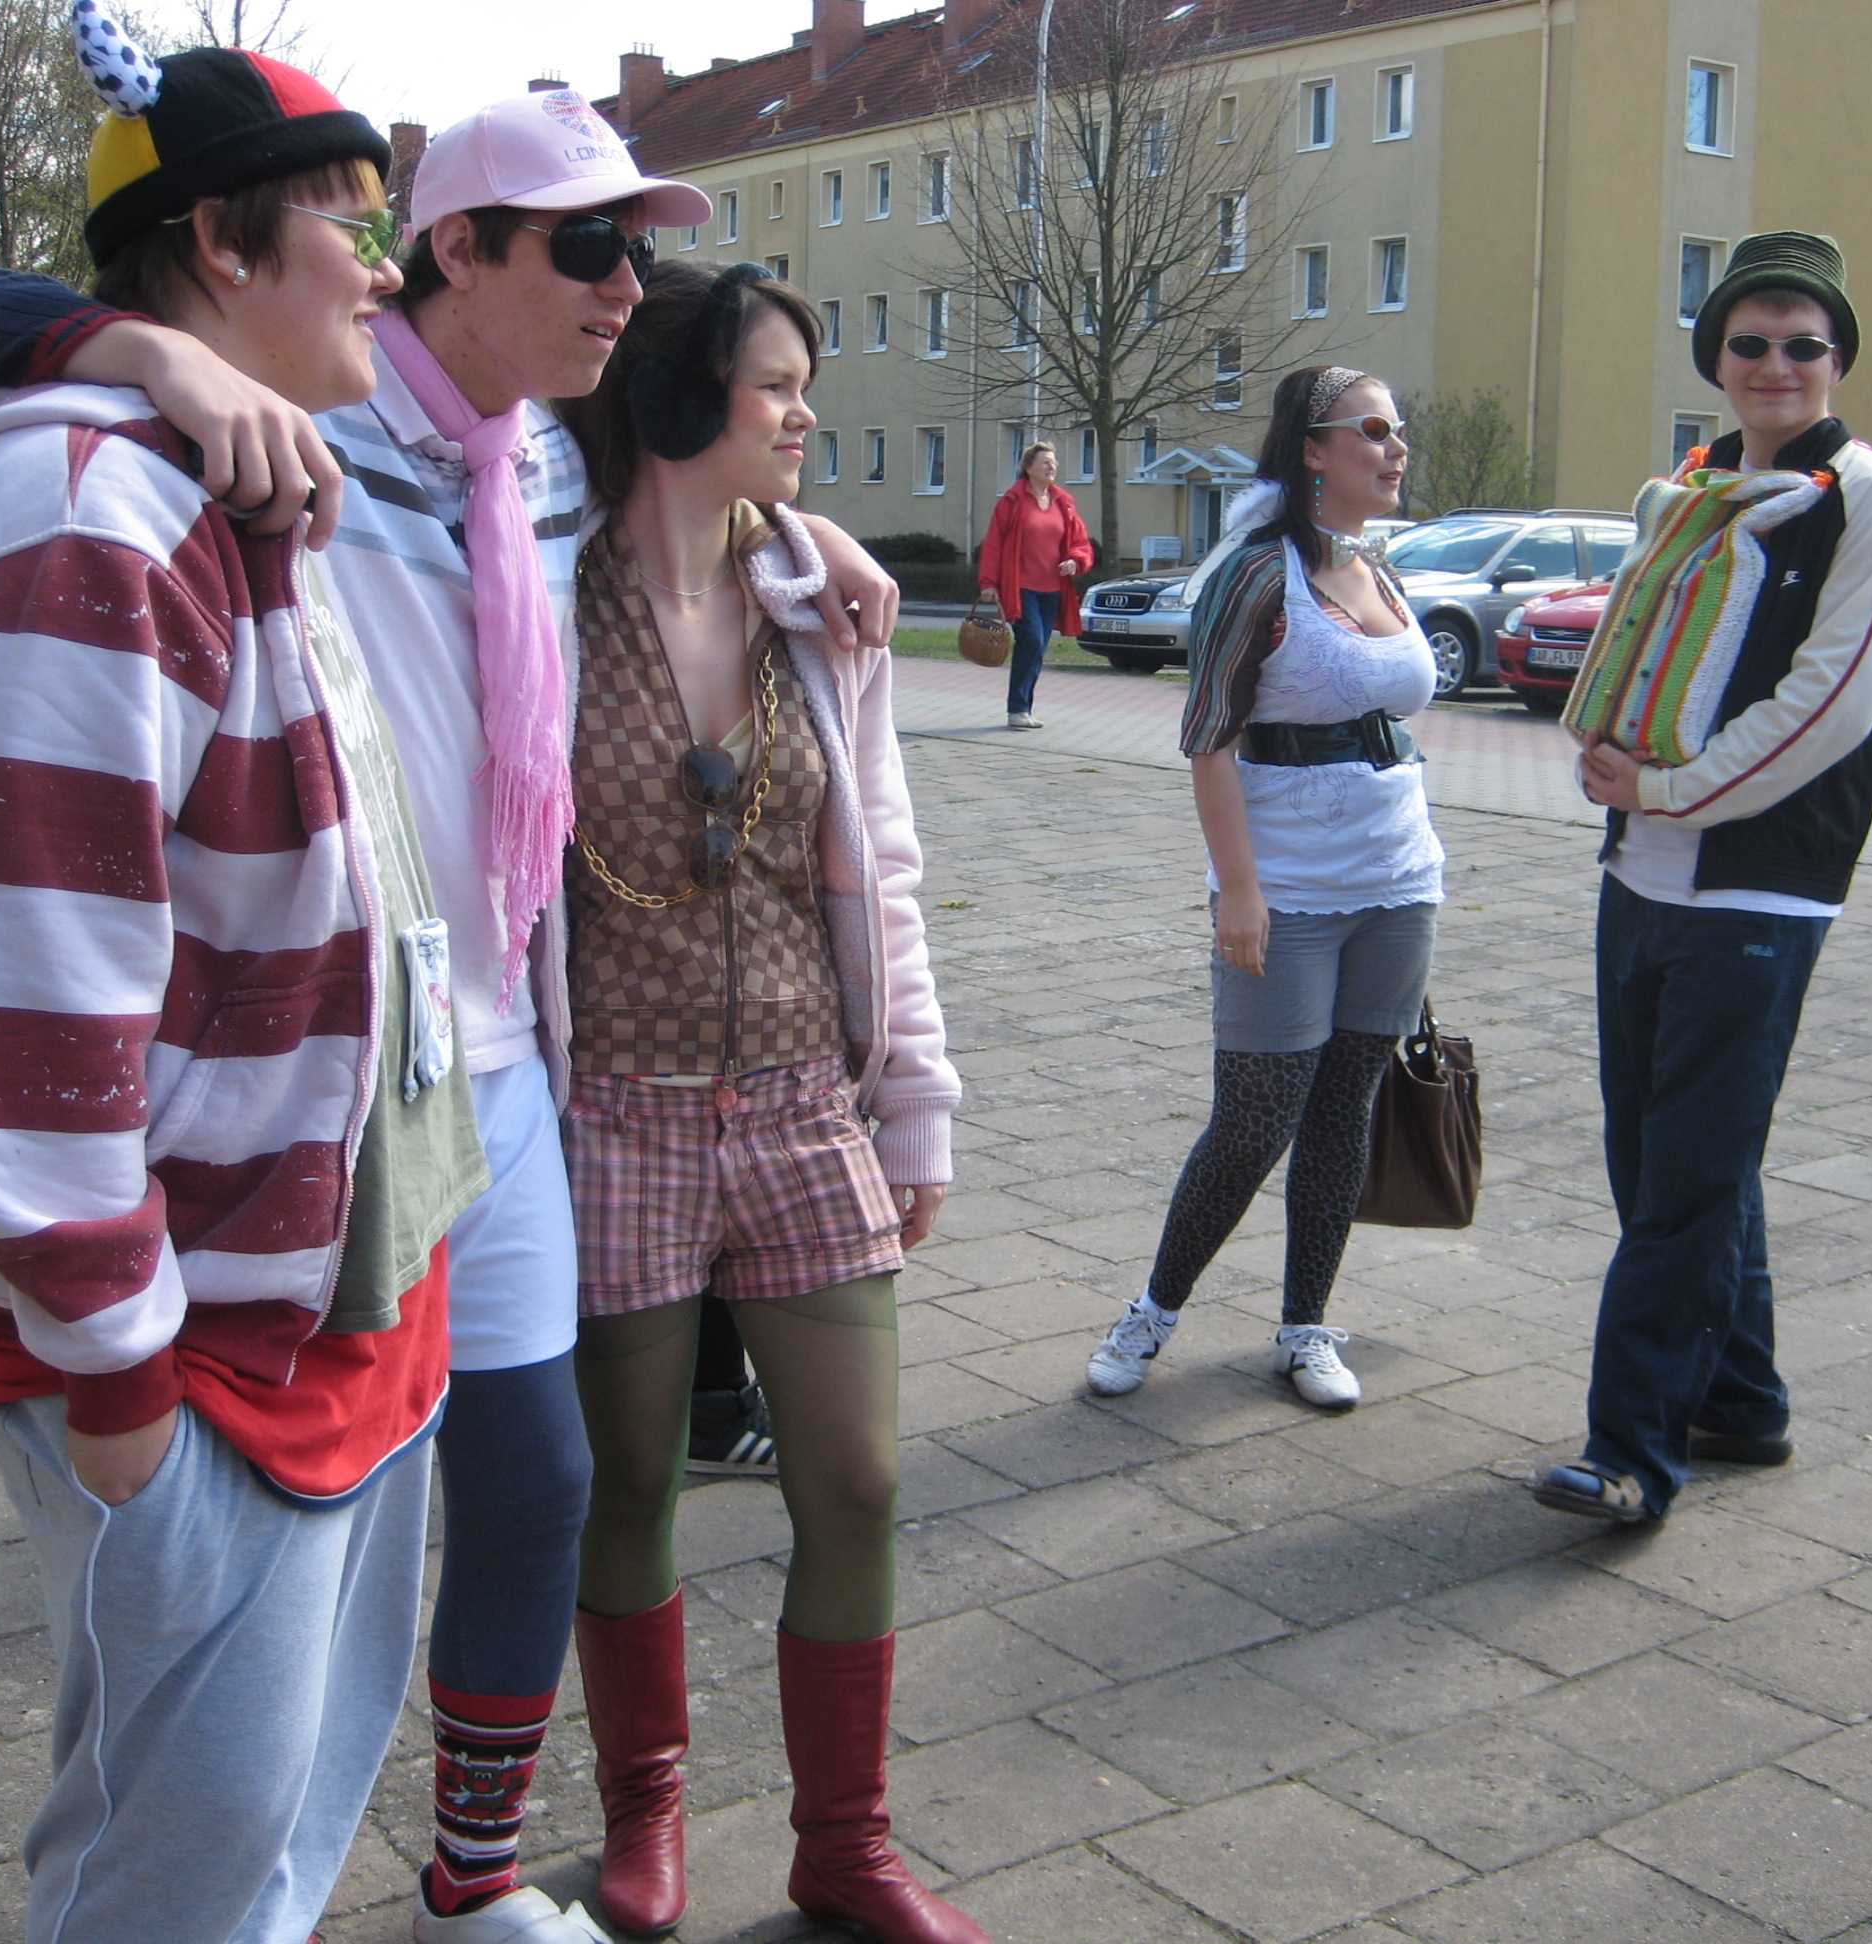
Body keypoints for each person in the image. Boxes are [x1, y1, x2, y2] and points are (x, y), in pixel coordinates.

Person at [0, 86, 903, 1943]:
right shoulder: (295, 408)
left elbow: (725, 431)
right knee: (271, 1595)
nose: (624, 284)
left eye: (633, 249)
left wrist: (798, 530)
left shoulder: (563, 447)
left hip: (490, 1057)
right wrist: (152, 358)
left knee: (531, 1482)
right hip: (314, 1075)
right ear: (460, 249)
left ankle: (473, 1878)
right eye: (586, 245)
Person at [0, 17, 511, 1940]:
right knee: (171, 1878)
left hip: (320, 1287)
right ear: (217, 242)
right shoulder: (75, 519)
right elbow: (14, 987)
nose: (386, 272)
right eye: (352, 224)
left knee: (261, 1841)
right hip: (192, 1339)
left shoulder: (215, 481)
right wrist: (116, 1364)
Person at [552, 260, 974, 1944]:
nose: (806, 414)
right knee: (626, 1483)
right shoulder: (542, 588)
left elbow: (882, 865)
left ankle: (845, 1844)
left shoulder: (820, 607)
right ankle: (643, 1810)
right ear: (678, 396)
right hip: (614, 1109)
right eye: (777, 384)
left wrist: (912, 1098)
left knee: (857, 1477)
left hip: (805, 1099)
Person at [1534, 231, 1872, 1525]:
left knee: (1687, 1180)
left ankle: (1632, 1452)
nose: (1776, 365)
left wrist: (1663, 788)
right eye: (1749, 343)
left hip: (1761, 882)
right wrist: (1611, 754)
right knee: (1664, 1156)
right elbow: (1642, 642)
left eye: (1803, 345)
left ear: (1837, 359)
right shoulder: (1695, 488)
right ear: (1716, 359)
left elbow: (1831, 704)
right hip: (1643, 873)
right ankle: (1743, 1403)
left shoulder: (1871, 499)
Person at [1085, 367, 1443, 1413]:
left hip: (1397, 881)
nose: (1394, 447)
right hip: (1284, 888)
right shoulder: (1254, 574)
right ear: (1312, 449)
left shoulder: (1377, 568)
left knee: (1344, 1114)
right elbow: (1210, 741)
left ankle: (1305, 1327)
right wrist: (1238, 889)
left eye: (1397, 428)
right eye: (1371, 429)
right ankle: (1153, 1310)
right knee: (1254, 1123)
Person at [975, 441, 1096, 728]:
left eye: (1053, 462)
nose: (1051, 466)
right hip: (1021, 587)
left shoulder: (1063, 503)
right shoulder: (1012, 501)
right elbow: (993, 544)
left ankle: (1024, 709)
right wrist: (988, 582)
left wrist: (1075, 561)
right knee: (1031, 640)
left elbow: (1080, 542)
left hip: (1053, 589)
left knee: (1038, 647)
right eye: (1044, 462)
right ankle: (1017, 709)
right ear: (1028, 467)